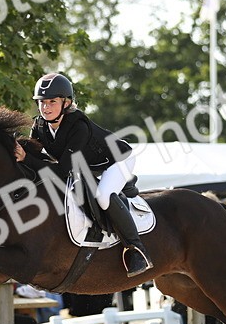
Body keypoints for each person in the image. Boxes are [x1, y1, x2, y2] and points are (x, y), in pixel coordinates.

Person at [14, 72, 151, 277]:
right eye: (42, 102)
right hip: (89, 165)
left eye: (52, 101)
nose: (46, 107)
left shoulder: (78, 126)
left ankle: (136, 249)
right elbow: (34, 157)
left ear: (66, 102)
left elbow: (62, 171)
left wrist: (26, 159)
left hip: (118, 160)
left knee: (103, 196)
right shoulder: (40, 126)